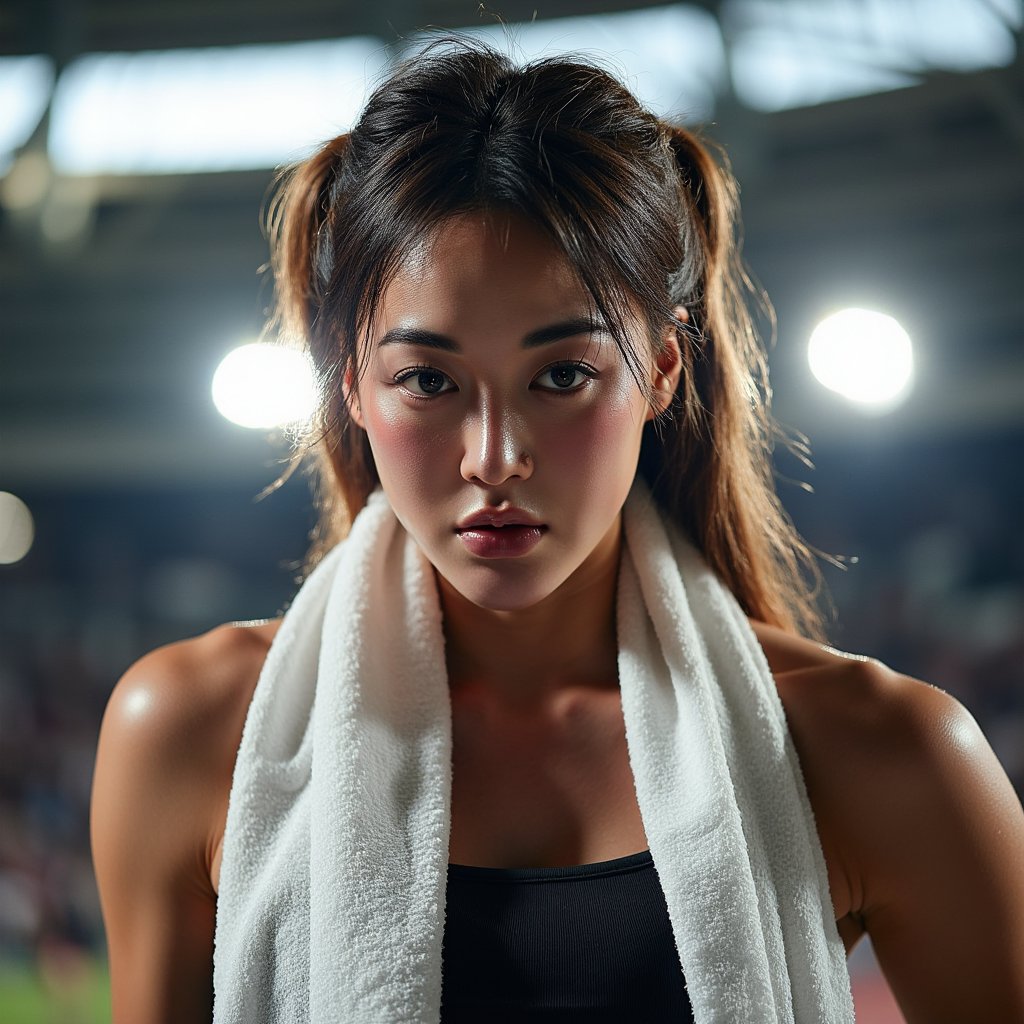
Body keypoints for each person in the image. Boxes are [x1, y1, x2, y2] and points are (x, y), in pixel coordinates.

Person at [90, 34, 1024, 1023]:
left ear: (663, 369)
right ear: (352, 384)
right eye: (428, 379)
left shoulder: (878, 749)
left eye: (563, 374)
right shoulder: (190, 733)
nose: (494, 456)